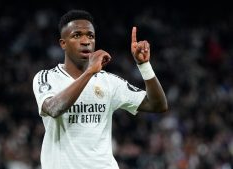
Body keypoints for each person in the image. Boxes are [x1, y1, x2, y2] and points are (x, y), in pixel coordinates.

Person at [32, 9, 168, 169]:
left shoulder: (108, 82)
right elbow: (53, 108)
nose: (85, 41)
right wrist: (89, 72)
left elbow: (158, 105)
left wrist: (144, 66)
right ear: (63, 43)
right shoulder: (47, 77)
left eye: (90, 36)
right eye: (77, 35)